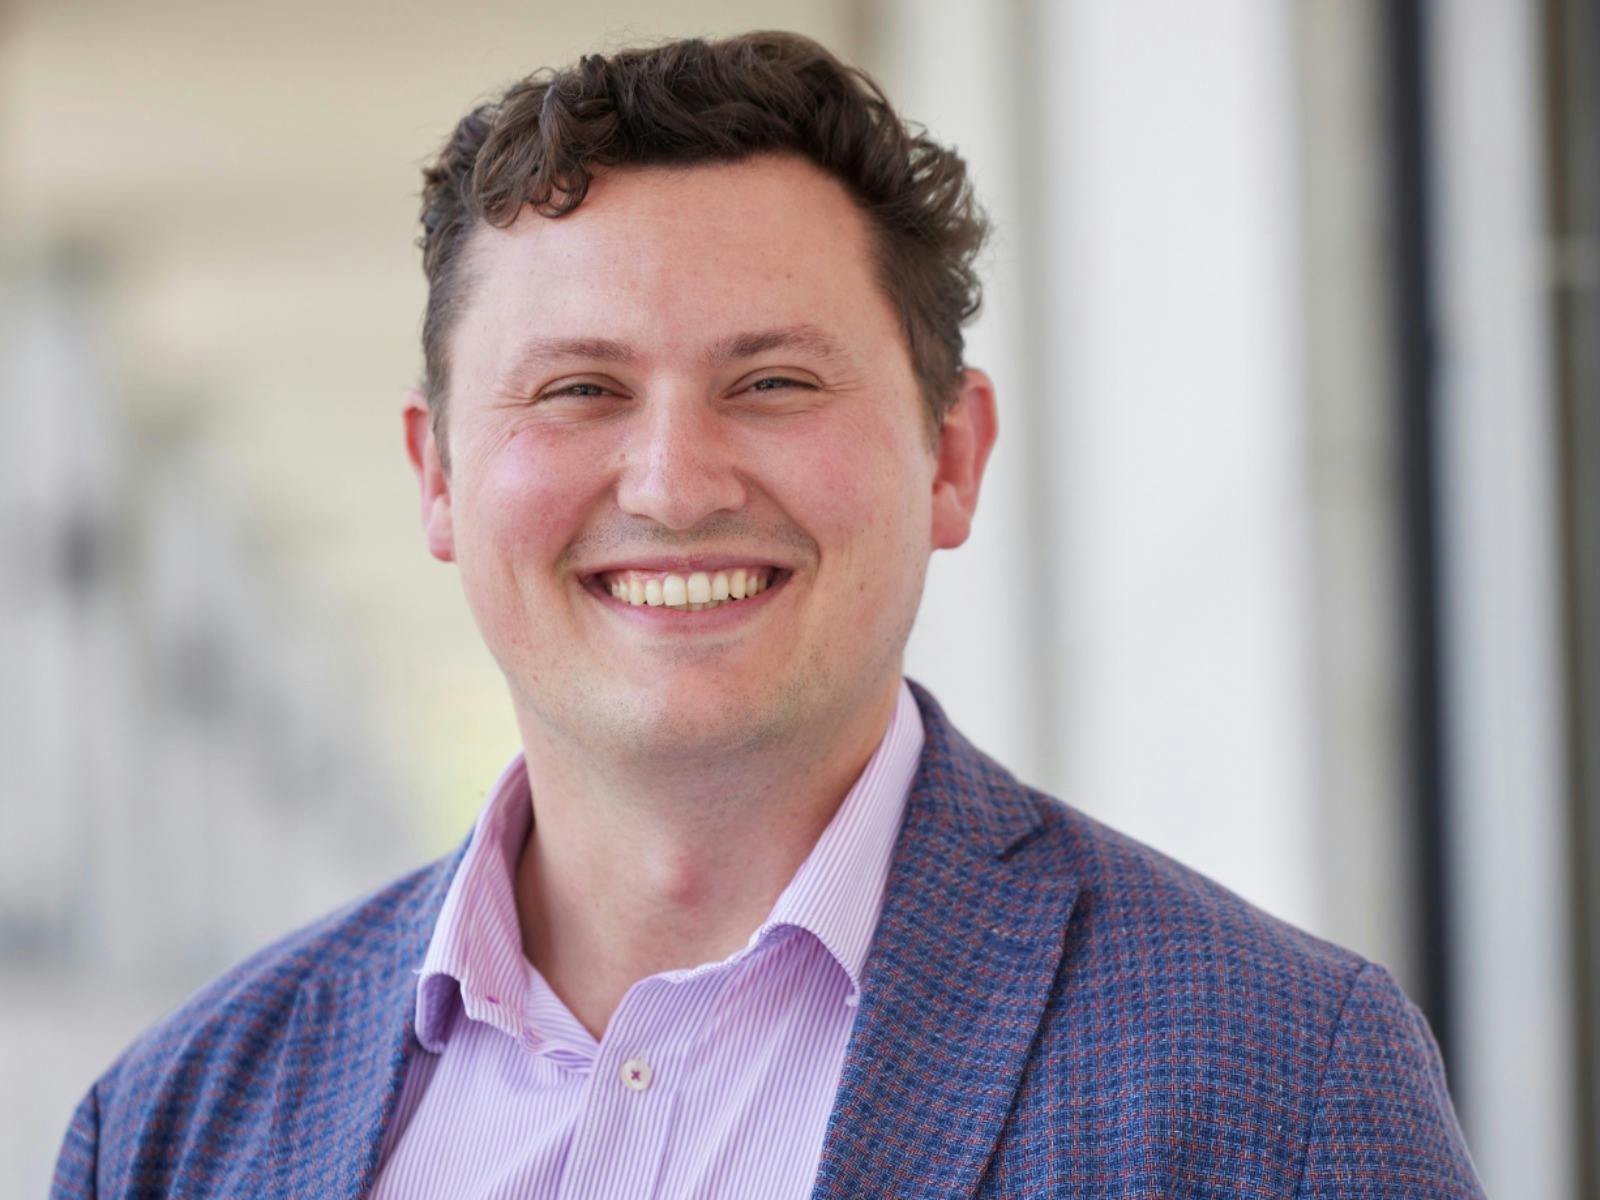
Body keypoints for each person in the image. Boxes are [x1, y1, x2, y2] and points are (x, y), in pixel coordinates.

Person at [52, 30, 1485, 1199]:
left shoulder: (1278, 1085)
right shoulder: (172, 1132)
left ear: (954, 454)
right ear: (437, 477)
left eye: (776, 382)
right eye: (577, 390)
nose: (674, 486)